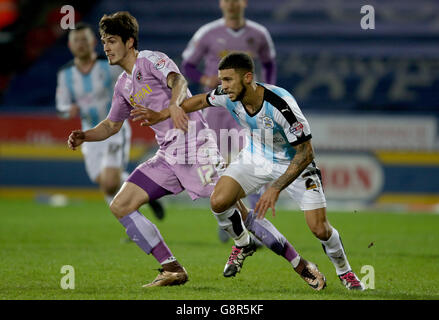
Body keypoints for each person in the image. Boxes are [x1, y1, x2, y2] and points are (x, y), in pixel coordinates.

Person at [68, 12, 326, 290]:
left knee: (239, 212)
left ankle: (301, 265)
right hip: (168, 156)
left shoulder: (151, 60)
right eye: (104, 41)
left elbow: (178, 81)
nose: (105, 47)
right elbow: (111, 125)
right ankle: (172, 269)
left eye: (112, 41)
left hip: (196, 149)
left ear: (130, 42)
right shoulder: (123, 85)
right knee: (120, 205)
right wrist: (85, 135)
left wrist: (176, 105)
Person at [134, 52, 364, 290]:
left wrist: (275, 188)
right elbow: (200, 101)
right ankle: (243, 243)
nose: (223, 86)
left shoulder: (281, 105)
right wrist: (164, 113)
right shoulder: (227, 95)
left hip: (295, 162)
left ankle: (345, 271)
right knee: (219, 201)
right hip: (257, 157)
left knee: (320, 228)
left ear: (248, 78)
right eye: (221, 80)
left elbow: (306, 153)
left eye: (228, 80)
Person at [181, 0, 276, 240]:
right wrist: (205, 79)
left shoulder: (259, 34)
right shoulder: (208, 32)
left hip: (247, 106)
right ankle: (230, 220)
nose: (232, 4)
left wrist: (268, 90)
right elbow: (187, 65)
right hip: (216, 107)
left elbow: (269, 63)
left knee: (254, 159)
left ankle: (257, 225)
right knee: (218, 166)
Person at [56, 22, 164, 219]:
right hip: (91, 131)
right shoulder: (65, 75)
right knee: (103, 181)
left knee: (109, 183)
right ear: (70, 45)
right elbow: (61, 106)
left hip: (115, 129)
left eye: (84, 39)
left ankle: (134, 223)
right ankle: (144, 191)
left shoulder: (110, 67)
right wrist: (67, 110)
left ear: (93, 42)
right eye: (76, 40)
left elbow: (133, 81)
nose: (80, 44)